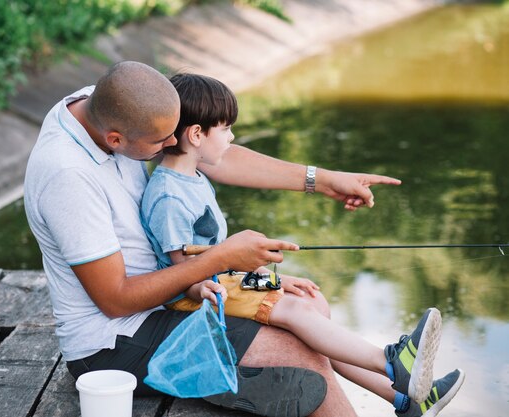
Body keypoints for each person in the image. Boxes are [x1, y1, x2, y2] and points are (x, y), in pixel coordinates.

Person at [24, 61, 408, 417]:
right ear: (116, 139)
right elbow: (115, 299)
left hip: (173, 300)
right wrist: (222, 258)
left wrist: (321, 179)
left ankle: (399, 396)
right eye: (162, 142)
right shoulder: (67, 176)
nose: (174, 142)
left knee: (308, 304)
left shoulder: (117, 103)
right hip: (113, 344)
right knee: (296, 354)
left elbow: (208, 154)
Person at [140, 73, 465, 417]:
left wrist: (275, 280)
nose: (232, 137)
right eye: (225, 129)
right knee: (297, 314)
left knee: (305, 306)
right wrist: (214, 287)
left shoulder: (193, 178)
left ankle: (405, 398)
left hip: (221, 283)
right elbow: (184, 271)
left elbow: (218, 255)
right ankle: (392, 362)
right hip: (192, 300)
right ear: (196, 135)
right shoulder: (168, 196)